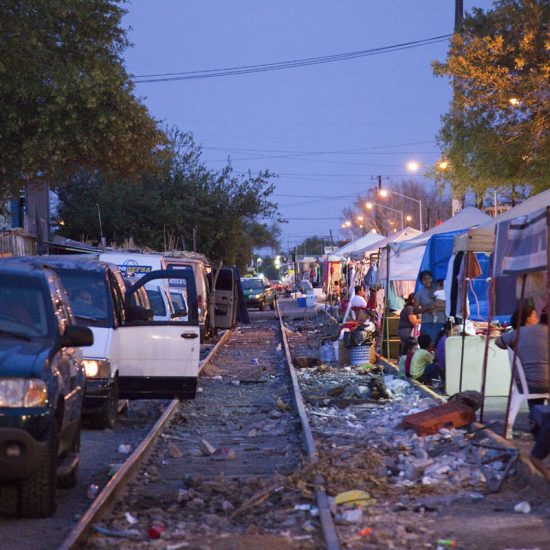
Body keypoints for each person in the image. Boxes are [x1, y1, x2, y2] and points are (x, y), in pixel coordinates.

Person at [496, 307, 548, 411]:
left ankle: (536, 414)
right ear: (528, 319)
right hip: (544, 383)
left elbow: (498, 342)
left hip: (524, 383)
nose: (537, 318)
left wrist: (514, 347)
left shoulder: (516, 333)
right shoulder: (545, 331)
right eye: (535, 316)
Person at [414, 270, 445, 343]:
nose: (427, 281)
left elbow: (447, 304)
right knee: (428, 345)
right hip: (427, 322)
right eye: (424, 279)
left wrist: (436, 307)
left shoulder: (439, 289)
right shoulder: (420, 293)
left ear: (432, 279)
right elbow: (415, 310)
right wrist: (427, 307)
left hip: (440, 321)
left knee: (439, 344)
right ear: (421, 281)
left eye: (429, 278)